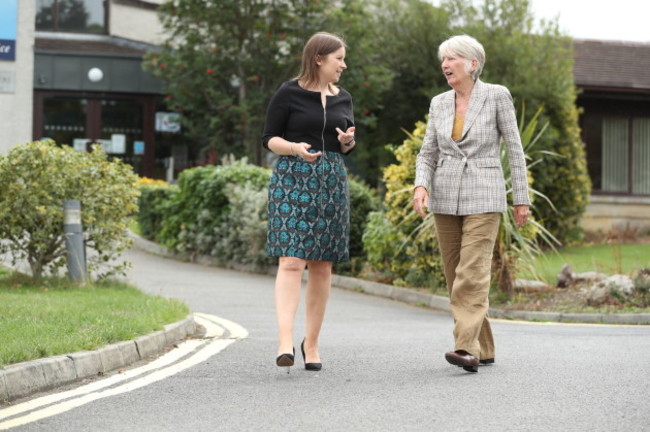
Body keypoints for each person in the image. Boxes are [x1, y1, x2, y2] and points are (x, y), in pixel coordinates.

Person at [412, 35, 531, 373]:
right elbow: (428, 152)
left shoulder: (496, 96)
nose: (445, 65)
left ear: (472, 63)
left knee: (472, 272)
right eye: (443, 60)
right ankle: (485, 347)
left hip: (485, 193)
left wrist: (521, 198)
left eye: (451, 58)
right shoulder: (438, 103)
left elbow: (515, 148)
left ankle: (465, 348)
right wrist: (421, 184)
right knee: (455, 276)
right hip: (446, 196)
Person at [261, 32, 356, 373]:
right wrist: (295, 148)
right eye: (339, 59)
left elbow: (345, 143)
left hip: (331, 179)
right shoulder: (289, 92)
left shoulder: (343, 97)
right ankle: (285, 340)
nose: (343, 65)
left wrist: (346, 142)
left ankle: (311, 343)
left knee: (322, 264)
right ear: (319, 59)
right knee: (291, 260)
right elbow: (269, 138)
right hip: (292, 176)